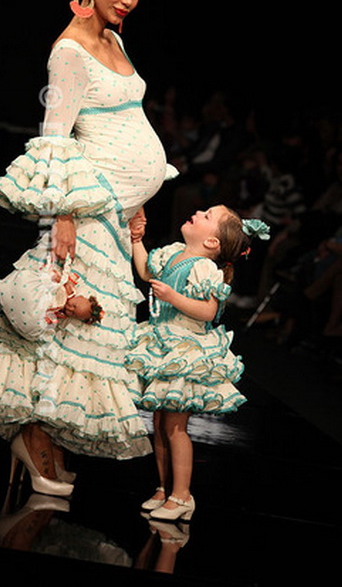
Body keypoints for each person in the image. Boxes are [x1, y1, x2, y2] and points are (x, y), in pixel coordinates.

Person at [0, 0, 177, 494]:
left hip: (112, 212)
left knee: (90, 335)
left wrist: (135, 200)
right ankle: (34, 439)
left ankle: (40, 439)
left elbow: (122, 122)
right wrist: (63, 214)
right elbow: (55, 136)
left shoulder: (114, 40)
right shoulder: (70, 50)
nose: (128, 0)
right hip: (84, 212)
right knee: (67, 329)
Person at [126, 205, 270, 520]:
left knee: (176, 427)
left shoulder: (205, 268)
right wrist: (137, 240)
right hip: (163, 343)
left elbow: (208, 311)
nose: (199, 211)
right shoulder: (174, 253)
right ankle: (164, 488)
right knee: (161, 423)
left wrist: (173, 298)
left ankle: (182, 495)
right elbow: (147, 272)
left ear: (212, 244)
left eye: (207, 216)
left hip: (185, 348)